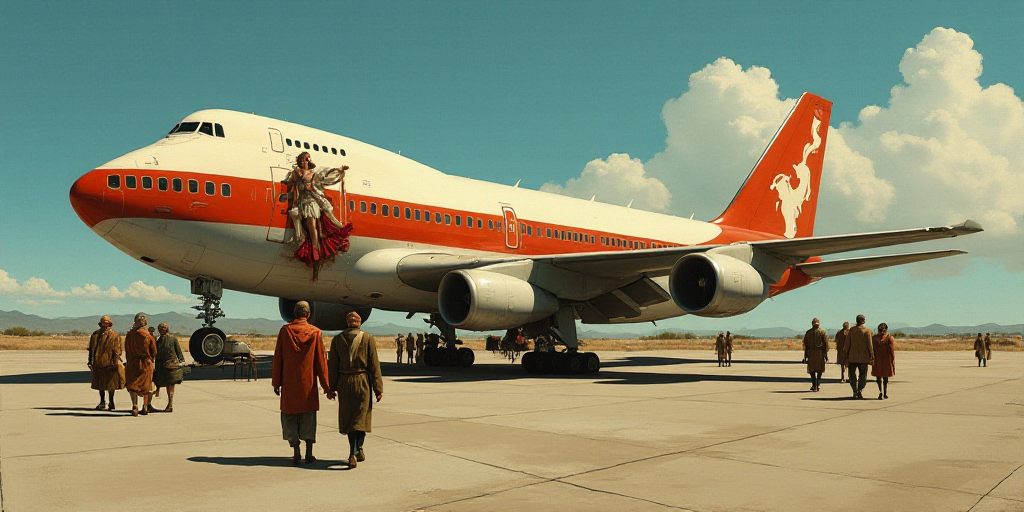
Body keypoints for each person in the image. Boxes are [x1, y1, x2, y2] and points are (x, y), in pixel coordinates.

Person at [272, 301, 330, 465]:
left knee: (290, 418)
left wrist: (276, 382)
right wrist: (327, 387)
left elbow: (278, 359)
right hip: (308, 386)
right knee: (308, 418)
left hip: (289, 385)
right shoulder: (315, 333)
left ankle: (296, 450)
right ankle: (309, 453)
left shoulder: (285, 331)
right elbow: (321, 362)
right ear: (308, 314)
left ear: (294, 313)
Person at [282, 152, 353, 279]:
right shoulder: (296, 174)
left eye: (307, 159)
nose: (306, 161)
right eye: (304, 159)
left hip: (312, 202)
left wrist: (340, 171)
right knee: (304, 227)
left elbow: (328, 178)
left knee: (312, 226)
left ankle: (315, 249)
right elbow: (288, 182)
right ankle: (313, 249)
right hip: (302, 203)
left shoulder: (314, 175)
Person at [328, 311, 383, 469]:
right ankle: (356, 449)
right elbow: (374, 365)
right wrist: (378, 388)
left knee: (349, 417)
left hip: (344, 383)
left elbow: (333, 367)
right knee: (362, 416)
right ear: (359, 322)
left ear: (347, 322)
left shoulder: (337, 339)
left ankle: (354, 450)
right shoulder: (368, 338)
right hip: (362, 381)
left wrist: (331, 388)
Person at [87, 315, 125, 411]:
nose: (105, 325)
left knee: (111, 384)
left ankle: (111, 402)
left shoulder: (114, 335)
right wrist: (90, 361)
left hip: (110, 363)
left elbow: (117, 351)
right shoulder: (95, 335)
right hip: (98, 363)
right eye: (103, 322)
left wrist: (115, 362)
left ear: (110, 323)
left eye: (107, 323)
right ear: (100, 323)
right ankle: (102, 401)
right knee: (100, 384)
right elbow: (91, 349)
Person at [124, 313, 157, 417]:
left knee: (132, 384)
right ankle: (145, 406)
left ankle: (134, 406)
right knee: (146, 384)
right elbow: (154, 351)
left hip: (132, 362)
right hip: (145, 363)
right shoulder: (148, 335)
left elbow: (127, 349)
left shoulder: (129, 335)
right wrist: (151, 359)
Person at [152, 323, 185, 412]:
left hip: (171, 366)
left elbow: (178, 351)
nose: (162, 329)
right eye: (161, 328)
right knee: (157, 384)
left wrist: (181, 361)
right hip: (160, 367)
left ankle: (170, 403)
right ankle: (149, 404)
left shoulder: (173, 339)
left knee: (170, 385)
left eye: (164, 327)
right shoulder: (157, 340)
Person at [843, 314, 874, 399]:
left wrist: (845, 355)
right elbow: (870, 345)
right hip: (864, 358)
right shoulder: (867, 331)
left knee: (852, 375)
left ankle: (854, 390)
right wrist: (872, 355)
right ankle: (860, 390)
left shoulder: (851, 331)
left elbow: (847, 345)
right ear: (863, 321)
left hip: (852, 357)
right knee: (863, 375)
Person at [802, 318, 829, 392]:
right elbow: (826, 345)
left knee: (812, 371)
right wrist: (826, 355)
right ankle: (816, 384)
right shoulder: (822, 332)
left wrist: (806, 356)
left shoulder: (808, 332)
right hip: (819, 354)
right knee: (818, 370)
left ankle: (815, 385)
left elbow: (805, 345)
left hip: (812, 354)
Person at [871, 323, 896, 399]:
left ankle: (881, 392)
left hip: (878, 359)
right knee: (885, 377)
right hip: (885, 359)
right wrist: (892, 359)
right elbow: (891, 351)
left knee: (879, 377)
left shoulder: (874, 338)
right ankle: (884, 392)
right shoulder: (889, 338)